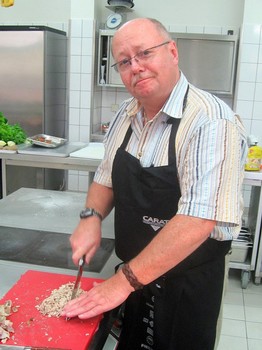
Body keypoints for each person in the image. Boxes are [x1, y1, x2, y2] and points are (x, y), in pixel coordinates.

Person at [62, 18, 247, 350]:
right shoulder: (125, 113)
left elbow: (197, 221)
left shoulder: (211, 121)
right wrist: (91, 217)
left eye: (144, 53)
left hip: (187, 287)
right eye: (124, 61)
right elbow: (106, 177)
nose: (136, 67)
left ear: (172, 52)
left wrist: (122, 282)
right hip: (135, 278)